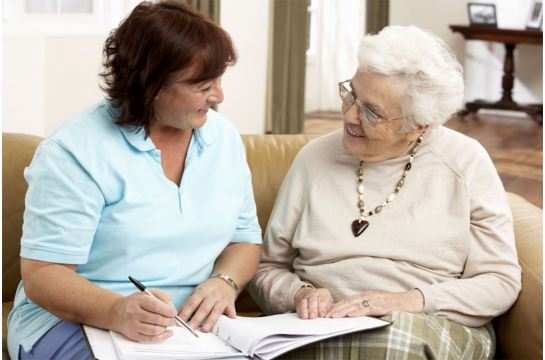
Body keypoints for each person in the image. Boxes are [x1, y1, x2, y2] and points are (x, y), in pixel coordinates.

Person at [248, 25, 521, 359]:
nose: (349, 115)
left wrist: (410, 301)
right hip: (319, 325)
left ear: (418, 125)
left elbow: (499, 281)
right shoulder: (314, 159)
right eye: (351, 94)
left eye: (371, 111)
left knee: (391, 349)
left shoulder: (464, 163)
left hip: (428, 322)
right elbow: (265, 268)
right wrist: (299, 294)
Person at [8, 2, 262, 359]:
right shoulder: (74, 151)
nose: (219, 96)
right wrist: (116, 310)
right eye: (203, 85)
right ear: (153, 84)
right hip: (74, 322)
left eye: (219, 79)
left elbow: (245, 239)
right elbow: (43, 274)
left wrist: (224, 282)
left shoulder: (224, 139)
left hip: (190, 328)